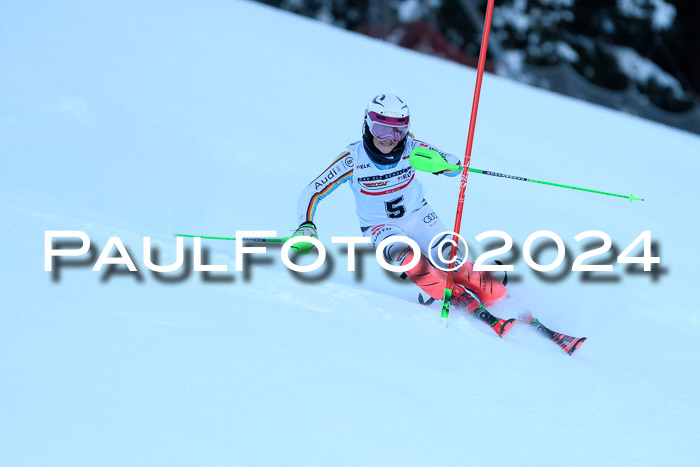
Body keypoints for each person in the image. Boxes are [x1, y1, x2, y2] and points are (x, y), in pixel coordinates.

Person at [293, 93, 513, 336]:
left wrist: (443, 165)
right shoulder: (353, 160)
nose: (388, 140)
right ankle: (457, 298)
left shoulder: (412, 149)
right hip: (380, 227)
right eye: (381, 130)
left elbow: (453, 165)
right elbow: (313, 191)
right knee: (407, 258)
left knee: (450, 258)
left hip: (419, 217)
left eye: (396, 132)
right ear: (367, 124)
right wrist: (306, 226)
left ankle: (500, 297)